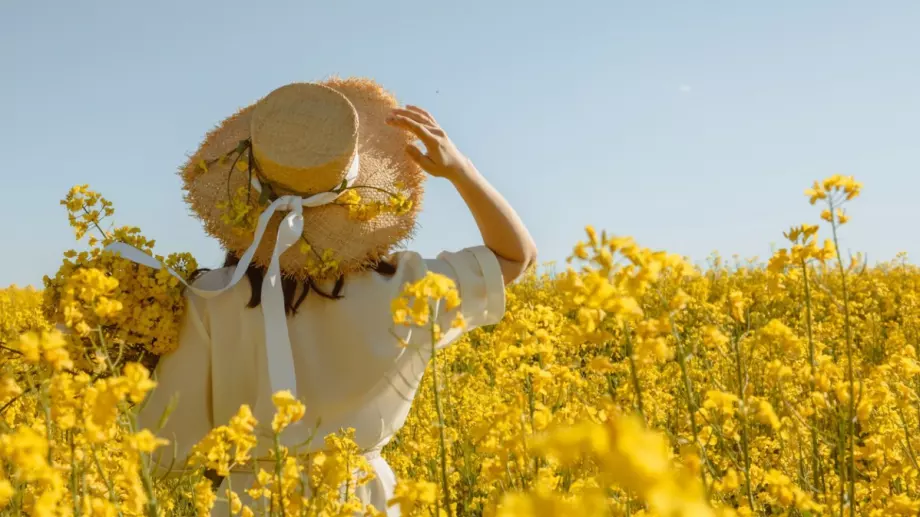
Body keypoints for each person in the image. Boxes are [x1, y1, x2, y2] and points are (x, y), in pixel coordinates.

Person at [130, 78, 536, 516]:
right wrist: (461, 170)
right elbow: (517, 257)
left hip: (250, 502)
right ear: (360, 194)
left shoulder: (209, 297)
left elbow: (168, 451)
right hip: (363, 500)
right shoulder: (408, 285)